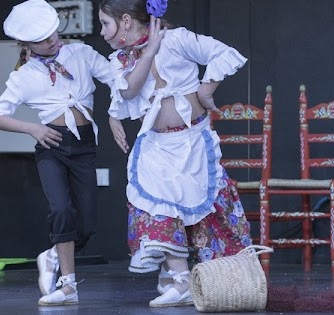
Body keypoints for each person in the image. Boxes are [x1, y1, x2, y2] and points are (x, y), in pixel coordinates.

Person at [98, 0, 253, 308]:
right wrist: (150, 52)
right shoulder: (120, 59)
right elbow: (128, 91)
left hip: (192, 142)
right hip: (156, 145)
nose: (102, 32)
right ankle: (180, 280)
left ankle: (216, 279)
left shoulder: (178, 39)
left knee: (205, 213)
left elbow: (223, 52)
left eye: (105, 23)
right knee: (157, 204)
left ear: (126, 21)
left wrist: (206, 89)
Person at [0, 0, 114, 306]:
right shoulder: (24, 76)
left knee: (87, 225)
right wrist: (33, 129)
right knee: (60, 210)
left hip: (84, 146)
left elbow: (115, 78)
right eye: (43, 39)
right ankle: (68, 286)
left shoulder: (80, 54)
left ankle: (52, 255)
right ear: (24, 44)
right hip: (52, 147)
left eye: (53, 33)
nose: (53, 40)